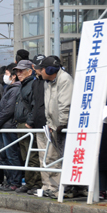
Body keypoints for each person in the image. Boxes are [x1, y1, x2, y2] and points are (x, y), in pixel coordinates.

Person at [39, 56, 73, 198]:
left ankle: (68, 189)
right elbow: (48, 105)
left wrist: (61, 124)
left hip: (63, 127)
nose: (39, 72)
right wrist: (49, 123)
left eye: (41, 69)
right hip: (53, 126)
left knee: (66, 158)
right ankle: (56, 188)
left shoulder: (64, 79)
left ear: (49, 69)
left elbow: (64, 104)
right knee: (53, 158)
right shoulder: (47, 82)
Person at [0, 63, 24, 191]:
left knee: (11, 155)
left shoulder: (15, 89)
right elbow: (0, 108)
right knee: (1, 155)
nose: (5, 76)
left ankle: (14, 181)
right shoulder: (9, 88)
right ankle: (10, 181)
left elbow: (8, 109)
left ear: (13, 76)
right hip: (2, 126)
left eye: (7, 74)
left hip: (9, 126)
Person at [13, 60, 41, 195]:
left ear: (30, 71)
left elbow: (35, 105)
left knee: (32, 155)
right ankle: (30, 183)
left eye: (21, 71)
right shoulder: (23, 85)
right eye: (17, 71)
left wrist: (29, 121)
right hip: (21, 123)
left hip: (27, 124)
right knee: (25, 155)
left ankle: (35, 183)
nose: (18, 74)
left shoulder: (32, 84)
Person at [26, 55, 53, 195]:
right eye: (38, 67)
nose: (40, 70)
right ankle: (46, 185)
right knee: (42, 156)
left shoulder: (49, 82)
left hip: (49, 124)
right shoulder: (36, 83)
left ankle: (53, 186)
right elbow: (35, 104)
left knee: (51, 156)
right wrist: (31, 121)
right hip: (39, 123)